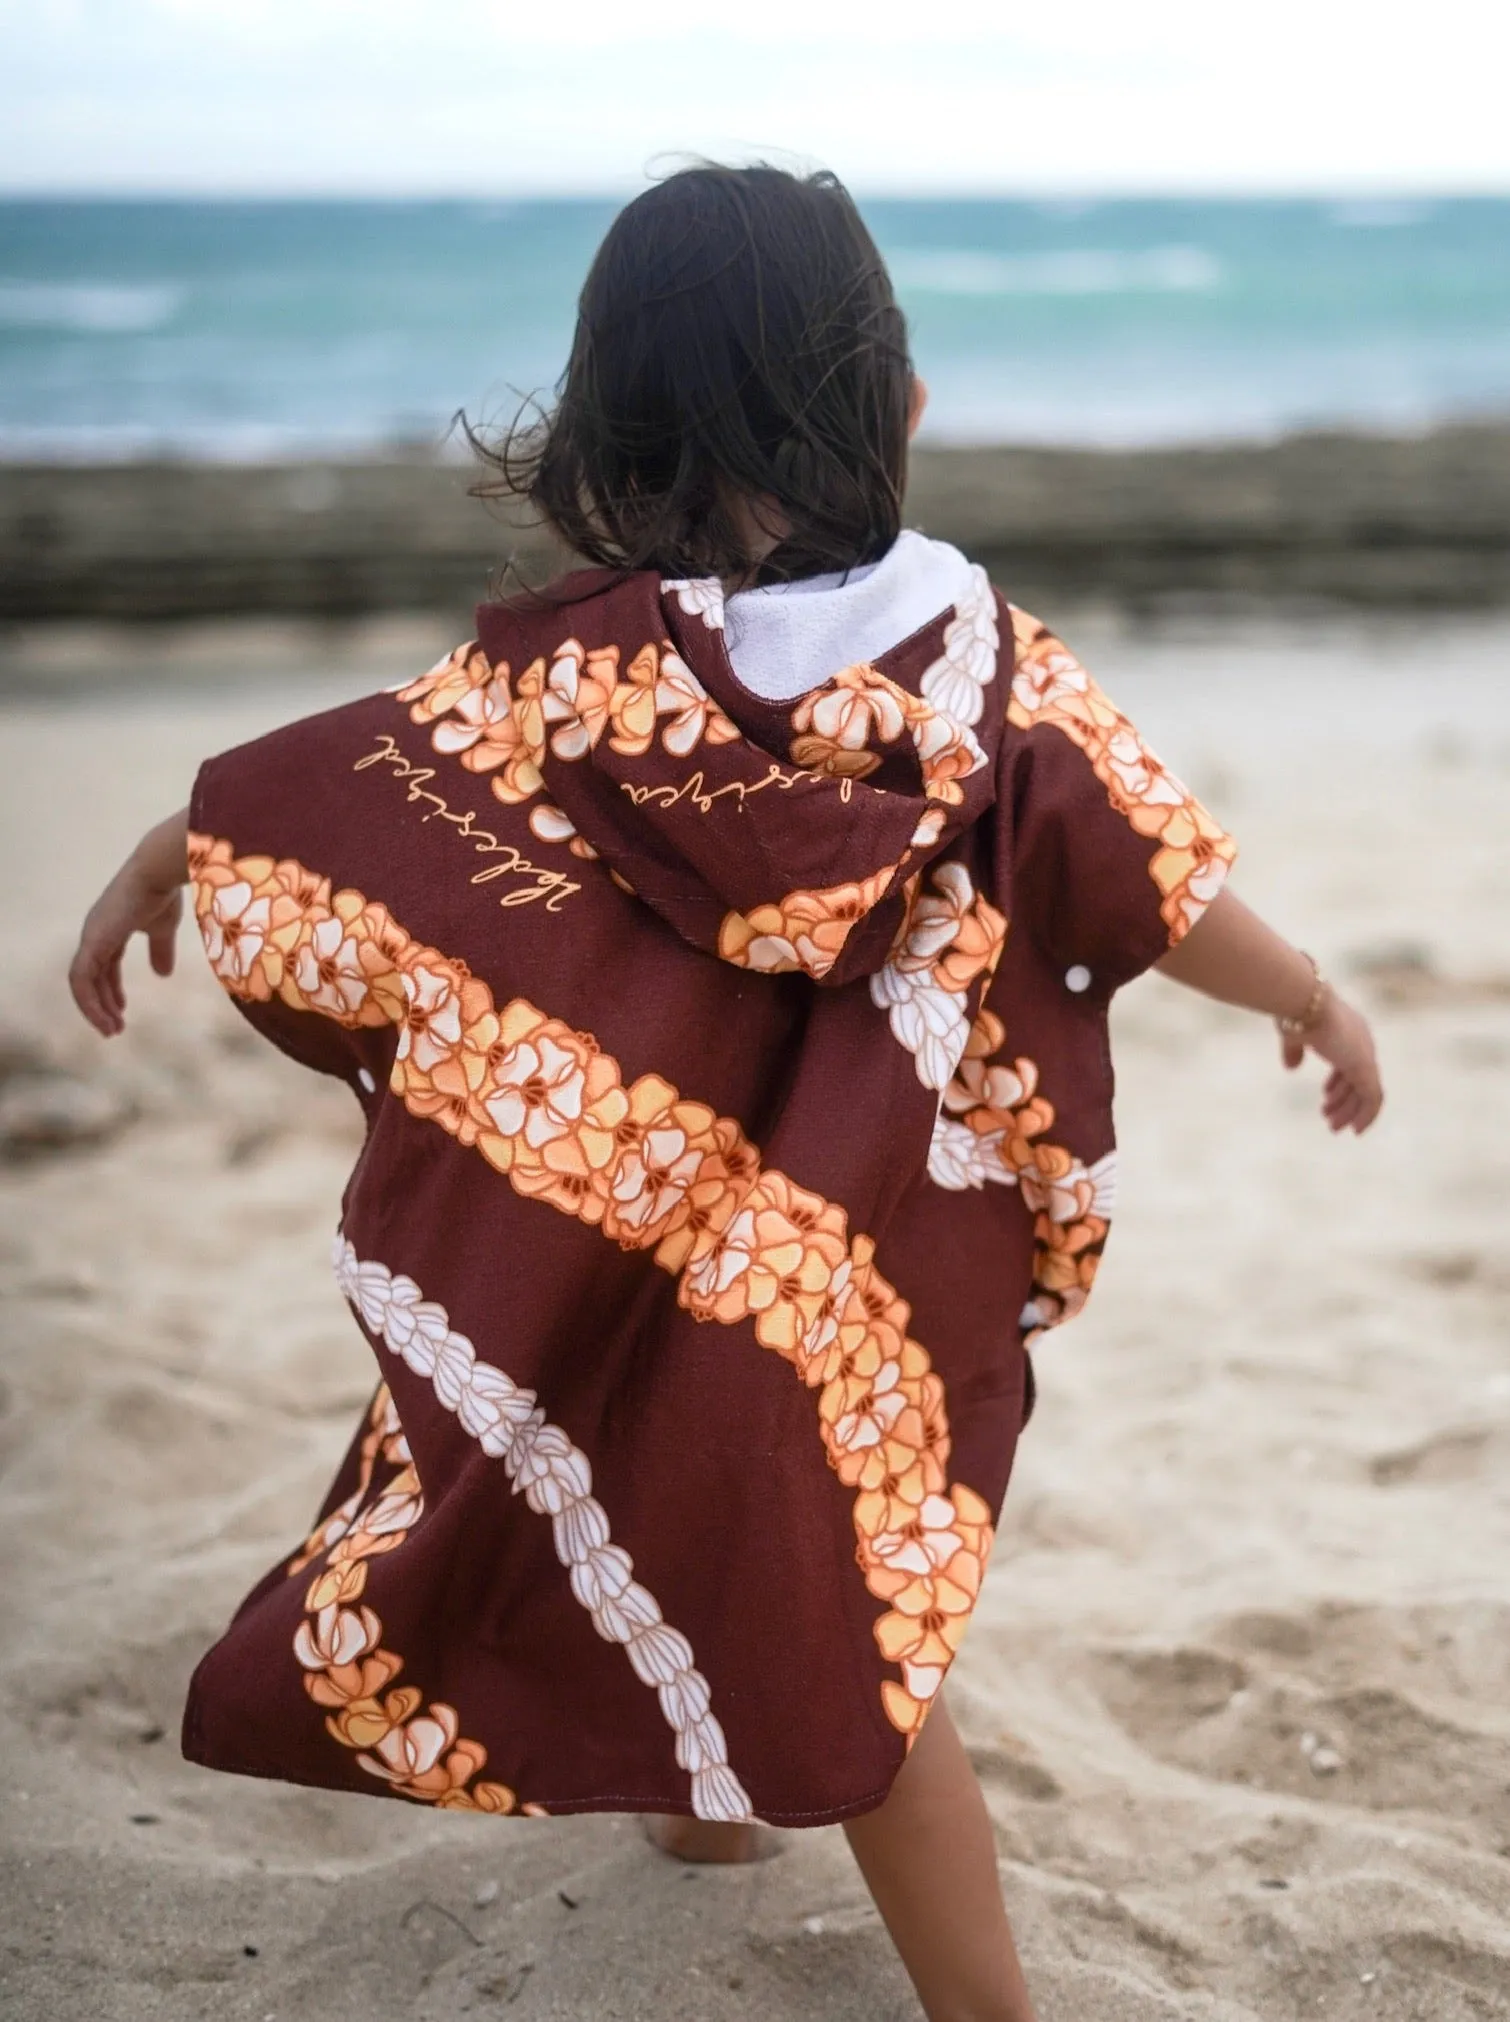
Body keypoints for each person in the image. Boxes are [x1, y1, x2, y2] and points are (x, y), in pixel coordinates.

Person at [68, 164, 1382, 2022]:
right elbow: (1163, 885)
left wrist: (178, 844)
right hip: (831, 1281)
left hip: (606, 1249)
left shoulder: (581, 673)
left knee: (661, 1519)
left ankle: (711, 1822)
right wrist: (1316, 1000)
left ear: (607, 428)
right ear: (901, 407)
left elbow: (367, 790)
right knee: (854, 1648)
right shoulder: (986, 683)